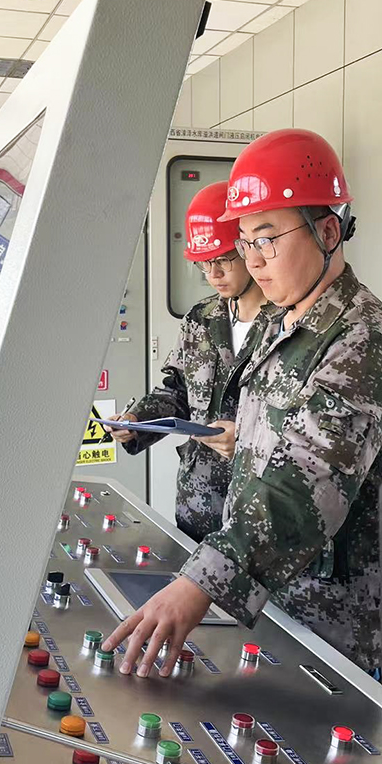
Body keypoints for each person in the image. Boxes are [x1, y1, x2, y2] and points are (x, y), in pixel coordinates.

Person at [104, 129, 382, 677]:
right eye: (245, 242)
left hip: (333, 618)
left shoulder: (364, 336)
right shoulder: (279, 323)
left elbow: (304, 481)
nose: (253, 260)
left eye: (266, 240)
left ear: (327, 231)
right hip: (268, 595)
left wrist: (202, 580)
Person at [110, 181, 270, 542]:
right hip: (197, 505)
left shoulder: (286, 324)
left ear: (248, 248)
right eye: (203, 264)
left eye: (223, 260)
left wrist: (247, 440)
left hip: (257, 516)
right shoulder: (201, 319)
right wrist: (137, 421)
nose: (213, 275)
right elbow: (177, 392)